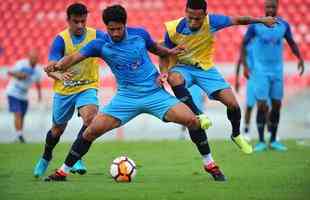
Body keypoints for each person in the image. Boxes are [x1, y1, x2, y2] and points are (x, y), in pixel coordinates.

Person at [43, 4, 225, 182]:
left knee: (193, 120)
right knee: (91, 131)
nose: (115, 33)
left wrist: (169, 52)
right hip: (126, 98)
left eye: (118, 29)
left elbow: (156, 49)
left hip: (154, 94)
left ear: (125, 24)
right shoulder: (99, 44)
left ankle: (209, 163)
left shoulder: (140, 34)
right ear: (106, 27)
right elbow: (74, 58)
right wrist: (57, 65)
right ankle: (62, 171)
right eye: (111, 29)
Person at [159, 0, 277, 161]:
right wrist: (164, 72)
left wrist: (262, 20)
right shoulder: (173, 29)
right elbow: (164, 54)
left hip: (206, 69)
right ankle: (199, 114)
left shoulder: (212, 21)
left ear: (205, 15)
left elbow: (239, 20)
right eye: (190, 17)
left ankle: (236, 135)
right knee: (174, 78)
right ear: (185, 11)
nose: (193, 22)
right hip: (182, 67)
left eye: (197, 19)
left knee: (233, 104)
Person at [33, 3, 106, 178]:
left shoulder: (97, 36)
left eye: (83, 21)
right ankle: (46, 155)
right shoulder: (61, 39)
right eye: (76, 22)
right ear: (68, 20)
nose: (80, 25)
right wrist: (59, 75)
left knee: (91, 118)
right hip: (64, 91)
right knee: (57, 130)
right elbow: (50, 67)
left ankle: (76, 158)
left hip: (87, 86)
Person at [241, 0, 304, 152]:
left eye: (273, 7)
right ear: (264, 7)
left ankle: (274, 139)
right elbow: (244, 43)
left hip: (277, 71)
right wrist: (245, 66)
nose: (270, 9)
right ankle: (262, 141)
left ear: (277, 7)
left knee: (277, 105)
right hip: (260, 71)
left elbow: (291, 42)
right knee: (262, 105)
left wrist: (299, 58)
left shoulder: (283, 25)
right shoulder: (255, 25)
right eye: (268, 6)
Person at [5, 50, 42, 143]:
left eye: (36, 58)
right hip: (13, 92)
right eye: (32, 57)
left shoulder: (37, 69)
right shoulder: (21, 64)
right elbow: (10, 72)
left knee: (22, 115)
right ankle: (19, 135)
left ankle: (19, 134)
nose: (34, 59)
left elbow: (38, 83)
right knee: (17, 113)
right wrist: (19, 75)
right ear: (29, 57)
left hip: (24, 94)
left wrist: (39, 95)